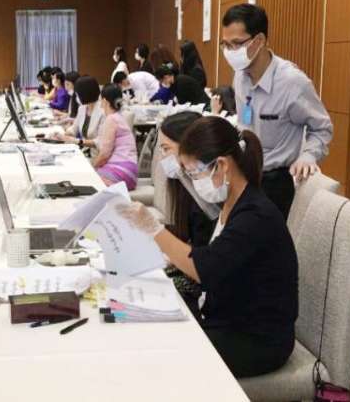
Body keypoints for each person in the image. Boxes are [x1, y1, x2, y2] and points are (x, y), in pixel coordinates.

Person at [122, 116, 298, 378]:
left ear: (222, 165)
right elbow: (212, 259)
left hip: (257, 339)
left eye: (195, 173)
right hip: (227, 316)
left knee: (159, 355)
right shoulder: (231, 204)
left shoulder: (255, 216)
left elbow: (203, 268)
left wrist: (153, 228)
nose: (194, 181)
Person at [221, 4, 332, 219]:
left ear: (259, 40)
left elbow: (322, 128)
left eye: (237, 44)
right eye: (225, 45)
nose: (230, 52)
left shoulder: (292, 83)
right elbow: (245, 122)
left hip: (276, 182)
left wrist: (308, 155)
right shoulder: (240, 76)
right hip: (245, 172)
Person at [157, 112, 220, 317]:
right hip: (194, 273)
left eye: (166, 149)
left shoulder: (211, 193)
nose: (162, 157)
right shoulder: (185, 188)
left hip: (204, 287)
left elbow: (203, 266)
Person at [93, 84, 138, 190]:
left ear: (104, 101)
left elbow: (105, 154)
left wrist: (93, 166)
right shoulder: (119, 117)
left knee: (88, 179)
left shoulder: (111, 119)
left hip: (121, 171)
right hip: (129, 170)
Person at [53, 76, 105, 157]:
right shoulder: (82, 108)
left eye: (77, 94)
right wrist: (61, 135)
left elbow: (100, 142)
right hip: (84, 151)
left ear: (85, 93)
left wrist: (77, 141)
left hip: (96, 155)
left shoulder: (103, 111)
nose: (76, 97)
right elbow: (74, 129)